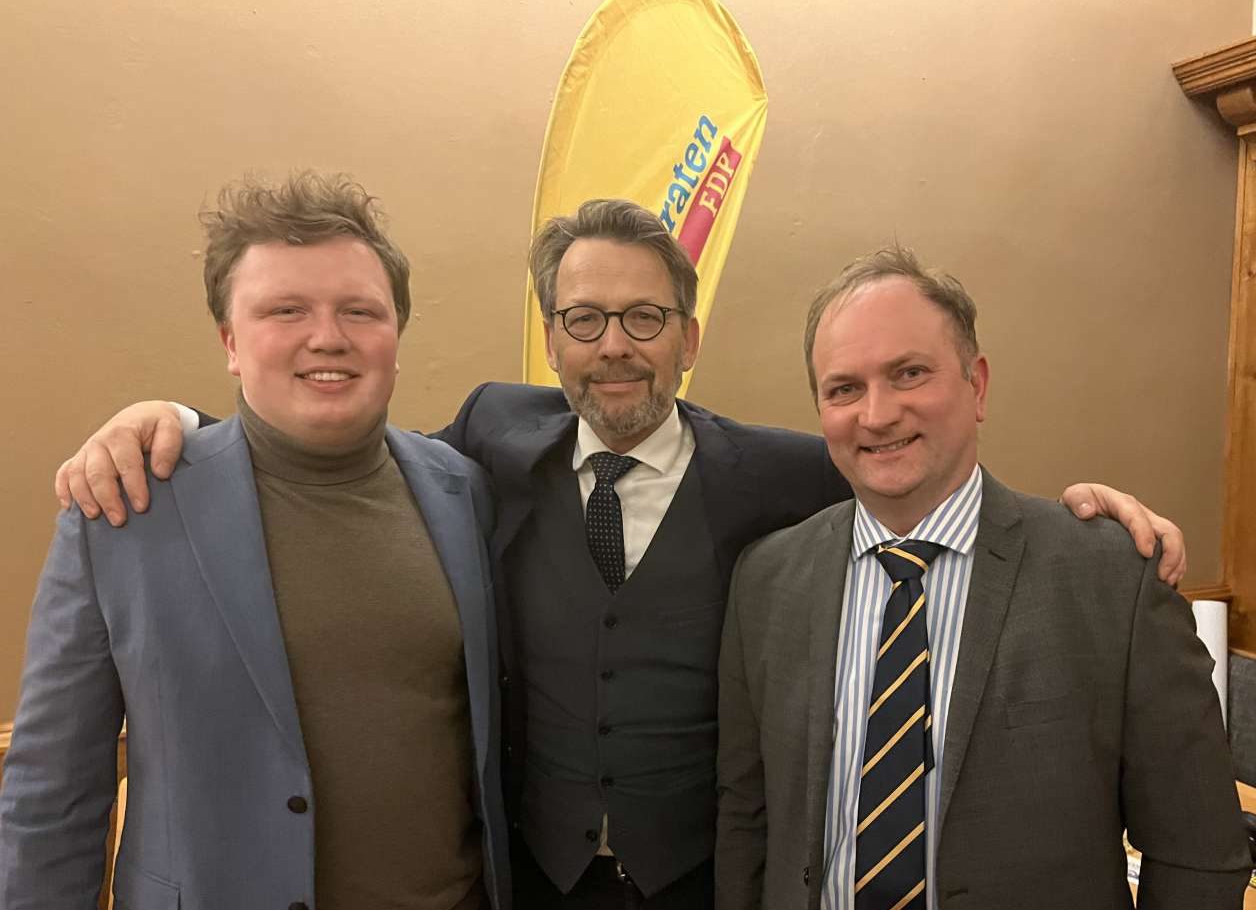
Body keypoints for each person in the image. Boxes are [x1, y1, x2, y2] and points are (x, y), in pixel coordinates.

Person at [52, 200, 1186, 910]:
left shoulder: (783, 471)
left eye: (644, 318)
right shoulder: (485, 444)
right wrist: (176, 421)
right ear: (550, 337)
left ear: (688, 337)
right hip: (530, 881)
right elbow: (325, 455)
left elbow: (911, 473)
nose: (614, 348)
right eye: (583, 319)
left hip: (698, 881)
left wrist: (1087, 514)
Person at [0, 172, 508, 910]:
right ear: (231, 342)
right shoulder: (123, 508)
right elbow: (52, 790)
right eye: (285, 310)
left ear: (396, 337)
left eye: (360, 310)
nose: (327, 336)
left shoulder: (466, 493)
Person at [714, 245, 1250, 910]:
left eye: (910, 373)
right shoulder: (766, 582)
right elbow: (745, 817)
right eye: (844, 388)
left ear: (978, 386)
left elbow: (1199, 851)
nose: (876, 414)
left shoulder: (1110, 578)